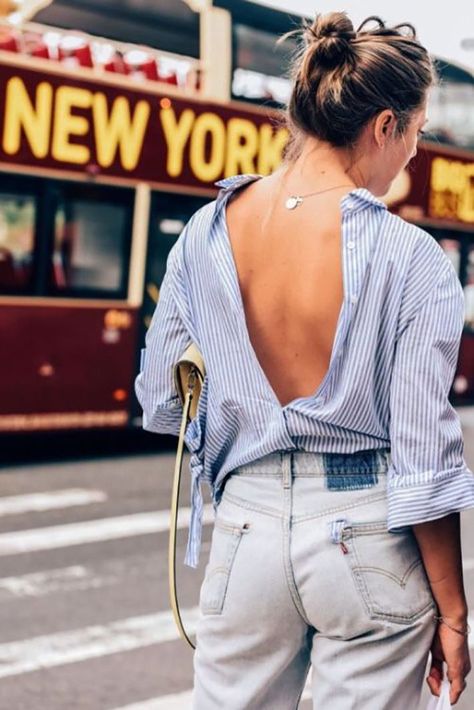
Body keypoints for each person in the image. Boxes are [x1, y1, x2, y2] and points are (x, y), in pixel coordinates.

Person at [135, 10, 474, 709]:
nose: (411, 155)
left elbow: (162, 400)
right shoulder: (411, 259)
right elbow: (424, 458)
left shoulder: (205, 233)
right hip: (368, 538)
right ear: (384, 126)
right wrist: (455, 612)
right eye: (413, 136)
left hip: (246, 531)